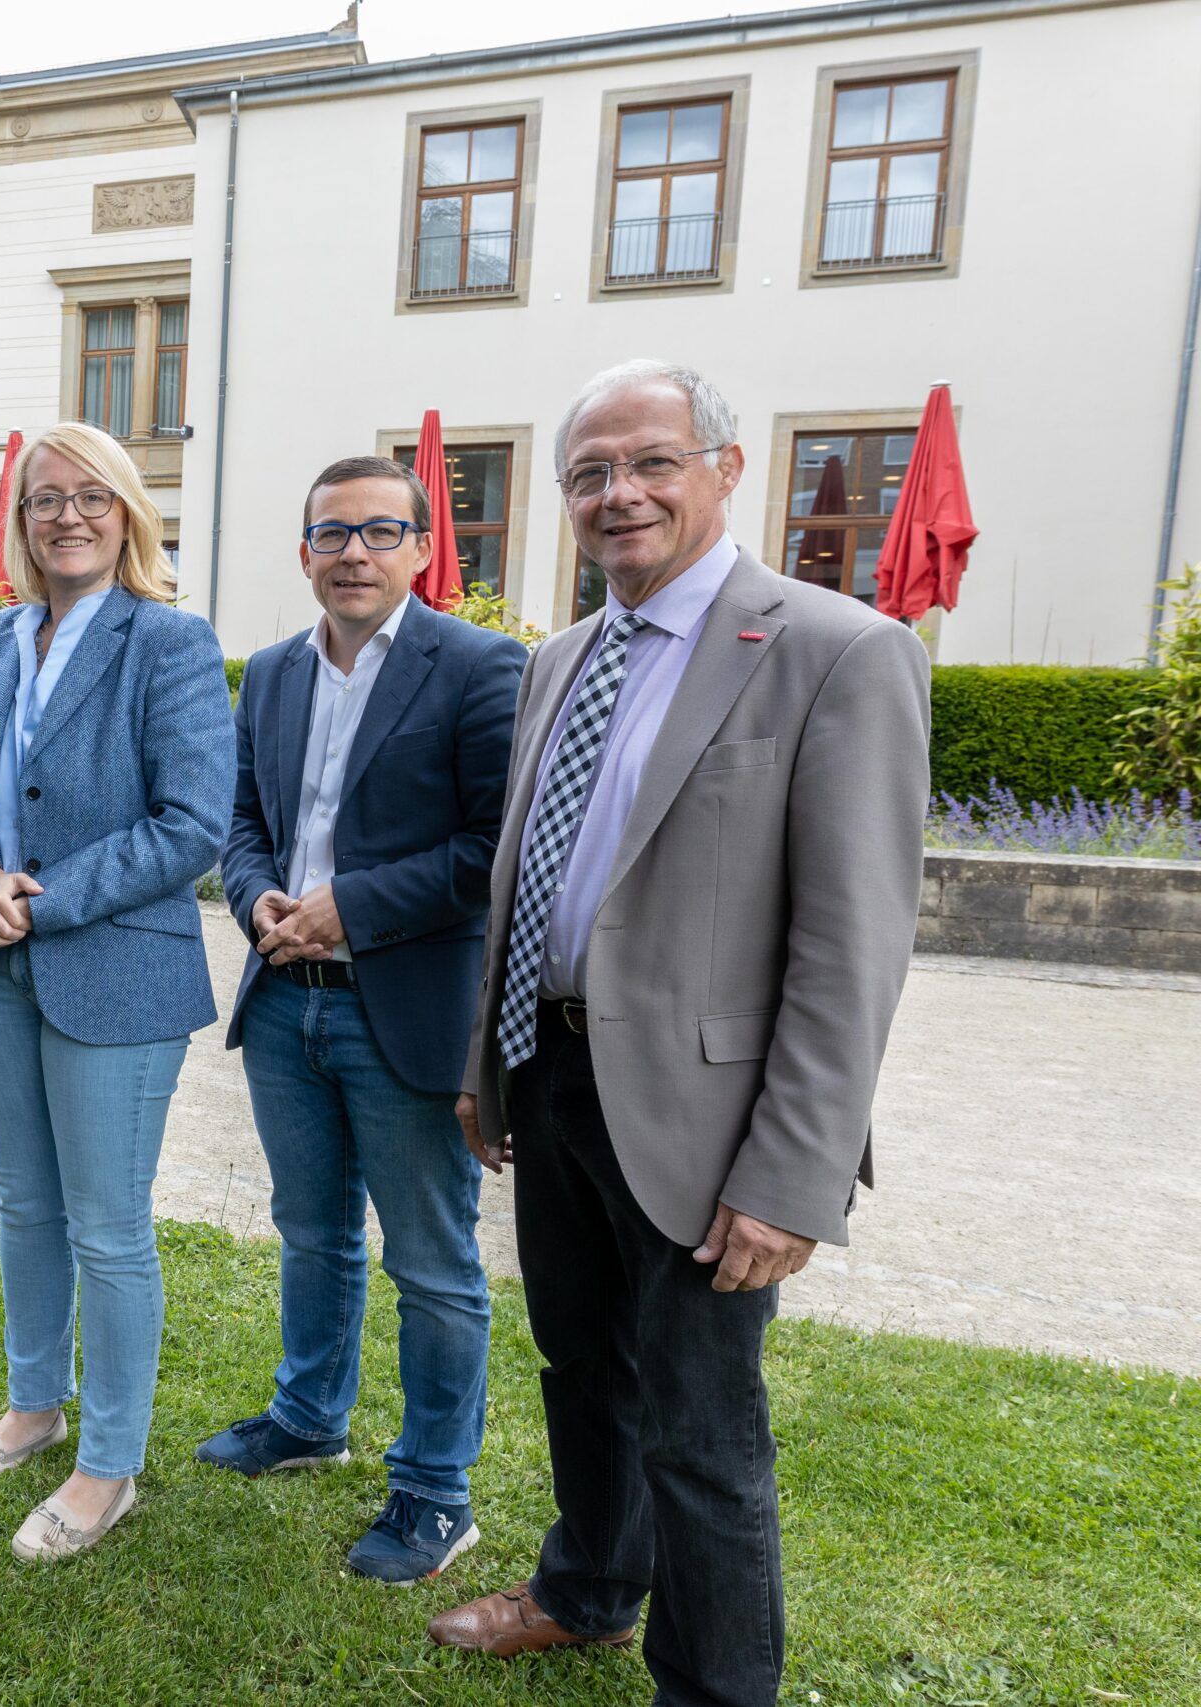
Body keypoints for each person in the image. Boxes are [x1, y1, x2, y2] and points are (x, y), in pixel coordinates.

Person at [430, 360, 930, 1706]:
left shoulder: (838, 649)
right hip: (555, 1076)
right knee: (580, 1363)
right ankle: (590, 1584)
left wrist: (793, 1172)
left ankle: (713, 1684)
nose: (619, 493)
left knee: (705, 1430)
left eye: (651, 460)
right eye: (589, 472)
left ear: (725, 468)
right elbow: (521, 877)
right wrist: (493, 1067)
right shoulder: (559, 659)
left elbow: (853, 945)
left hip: (711, 1120)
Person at [203, 455, 525, 1584]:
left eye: (380, 531)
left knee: (433, 1265)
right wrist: (256, 902)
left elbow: (499, 849)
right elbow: (242, 820)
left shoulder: (483, 668)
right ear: (302, 553)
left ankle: (437, 1491)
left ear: (423, 550)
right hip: (285, 998)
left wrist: (354, 906)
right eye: (331, 534)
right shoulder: (275, 671)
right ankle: (307, 1419)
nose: (353, 552)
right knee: (312, 1231)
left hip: (406, 1012)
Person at [0, 423, 233, 1561]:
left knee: (108, 1229)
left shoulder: (170, 641)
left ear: (126, 514)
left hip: (115, 966)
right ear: (20, 520)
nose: (67, 515)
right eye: (46, 498)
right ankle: (34, 1403)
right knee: (25, 1205)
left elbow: (192, 824)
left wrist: (37, 897)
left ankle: (107, 1465)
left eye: (90, 497)